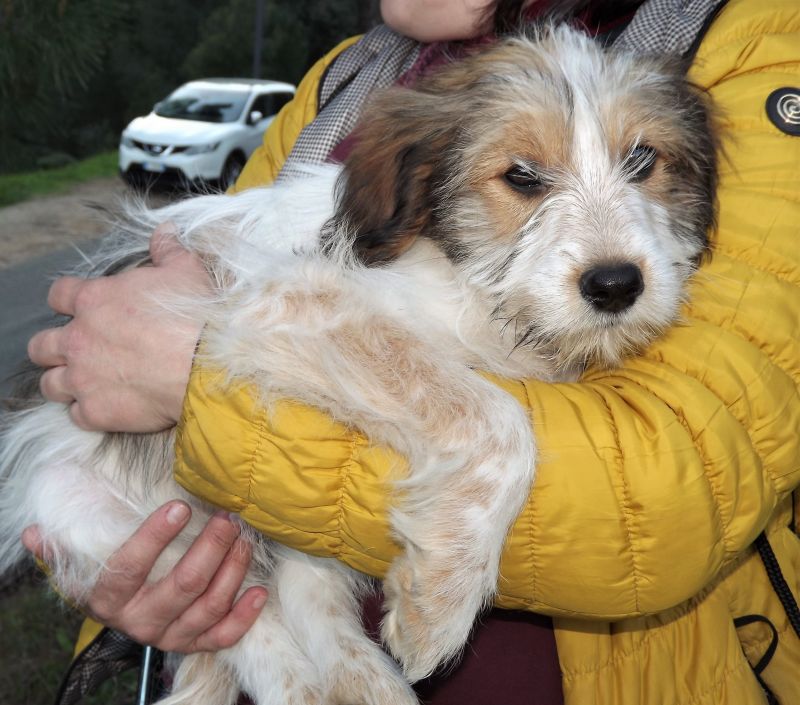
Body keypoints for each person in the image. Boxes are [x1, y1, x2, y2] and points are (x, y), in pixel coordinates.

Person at [22, 0, 800, 702]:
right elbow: (265, 321)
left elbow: (673, 490)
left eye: (643, 163)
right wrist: (141, 594)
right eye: (523, 176)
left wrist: (195, 377)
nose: (610, 235)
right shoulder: (346, 83)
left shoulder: (755, 42)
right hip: (252, 571)